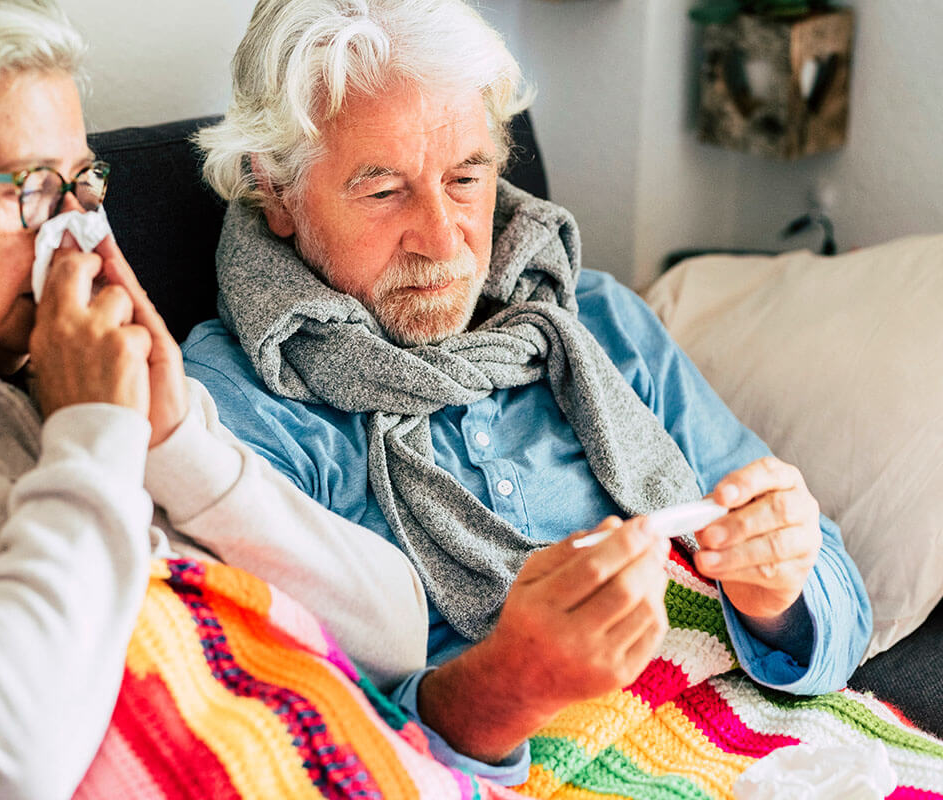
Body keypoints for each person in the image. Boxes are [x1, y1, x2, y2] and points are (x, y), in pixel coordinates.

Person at [0, 0, 430, 797]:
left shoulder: (92, 393)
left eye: (84, 182)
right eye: (30, 187)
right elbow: (3, 761)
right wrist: (90, 438)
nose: (79, 234)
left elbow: (396, 633)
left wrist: (179, 447)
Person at [186, 0, 873, 783]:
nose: (444, 240)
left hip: (787, 750)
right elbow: (269, 748)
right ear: (275, 190)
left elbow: (840, 610)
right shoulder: (232, 410)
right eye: (383, 193)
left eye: (467, 177)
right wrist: (507, 686)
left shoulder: (596, 319)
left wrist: (776, 592)